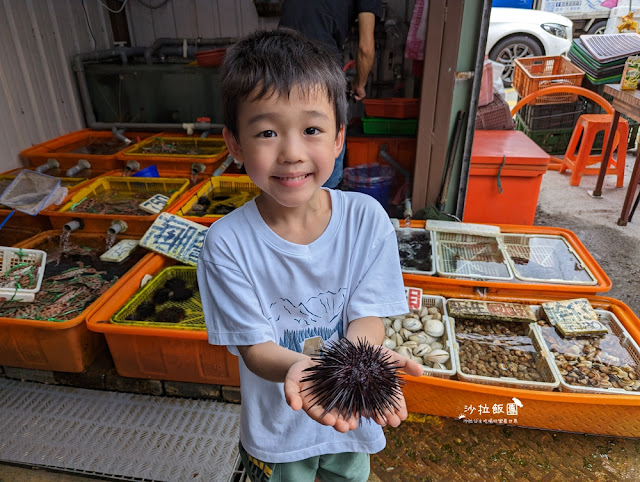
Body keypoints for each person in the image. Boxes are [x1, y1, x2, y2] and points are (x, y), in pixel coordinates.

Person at [197, 29, 422, 482]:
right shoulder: (226, 243)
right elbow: (257, 349)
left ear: (339, 138)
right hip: (276, 433)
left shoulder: (367, 220)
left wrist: (364, 362)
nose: (292, 153)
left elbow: (368, 315)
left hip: (351, 417)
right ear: (235, 144)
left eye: (312, 129)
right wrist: (308, 368)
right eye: (266, 132)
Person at [278, 0, 381, 188]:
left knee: (285, 144)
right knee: (325, 155)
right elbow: (366, 48)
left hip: (279, 67)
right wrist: (360, 84)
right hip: (321, 69)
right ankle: (324, 202)